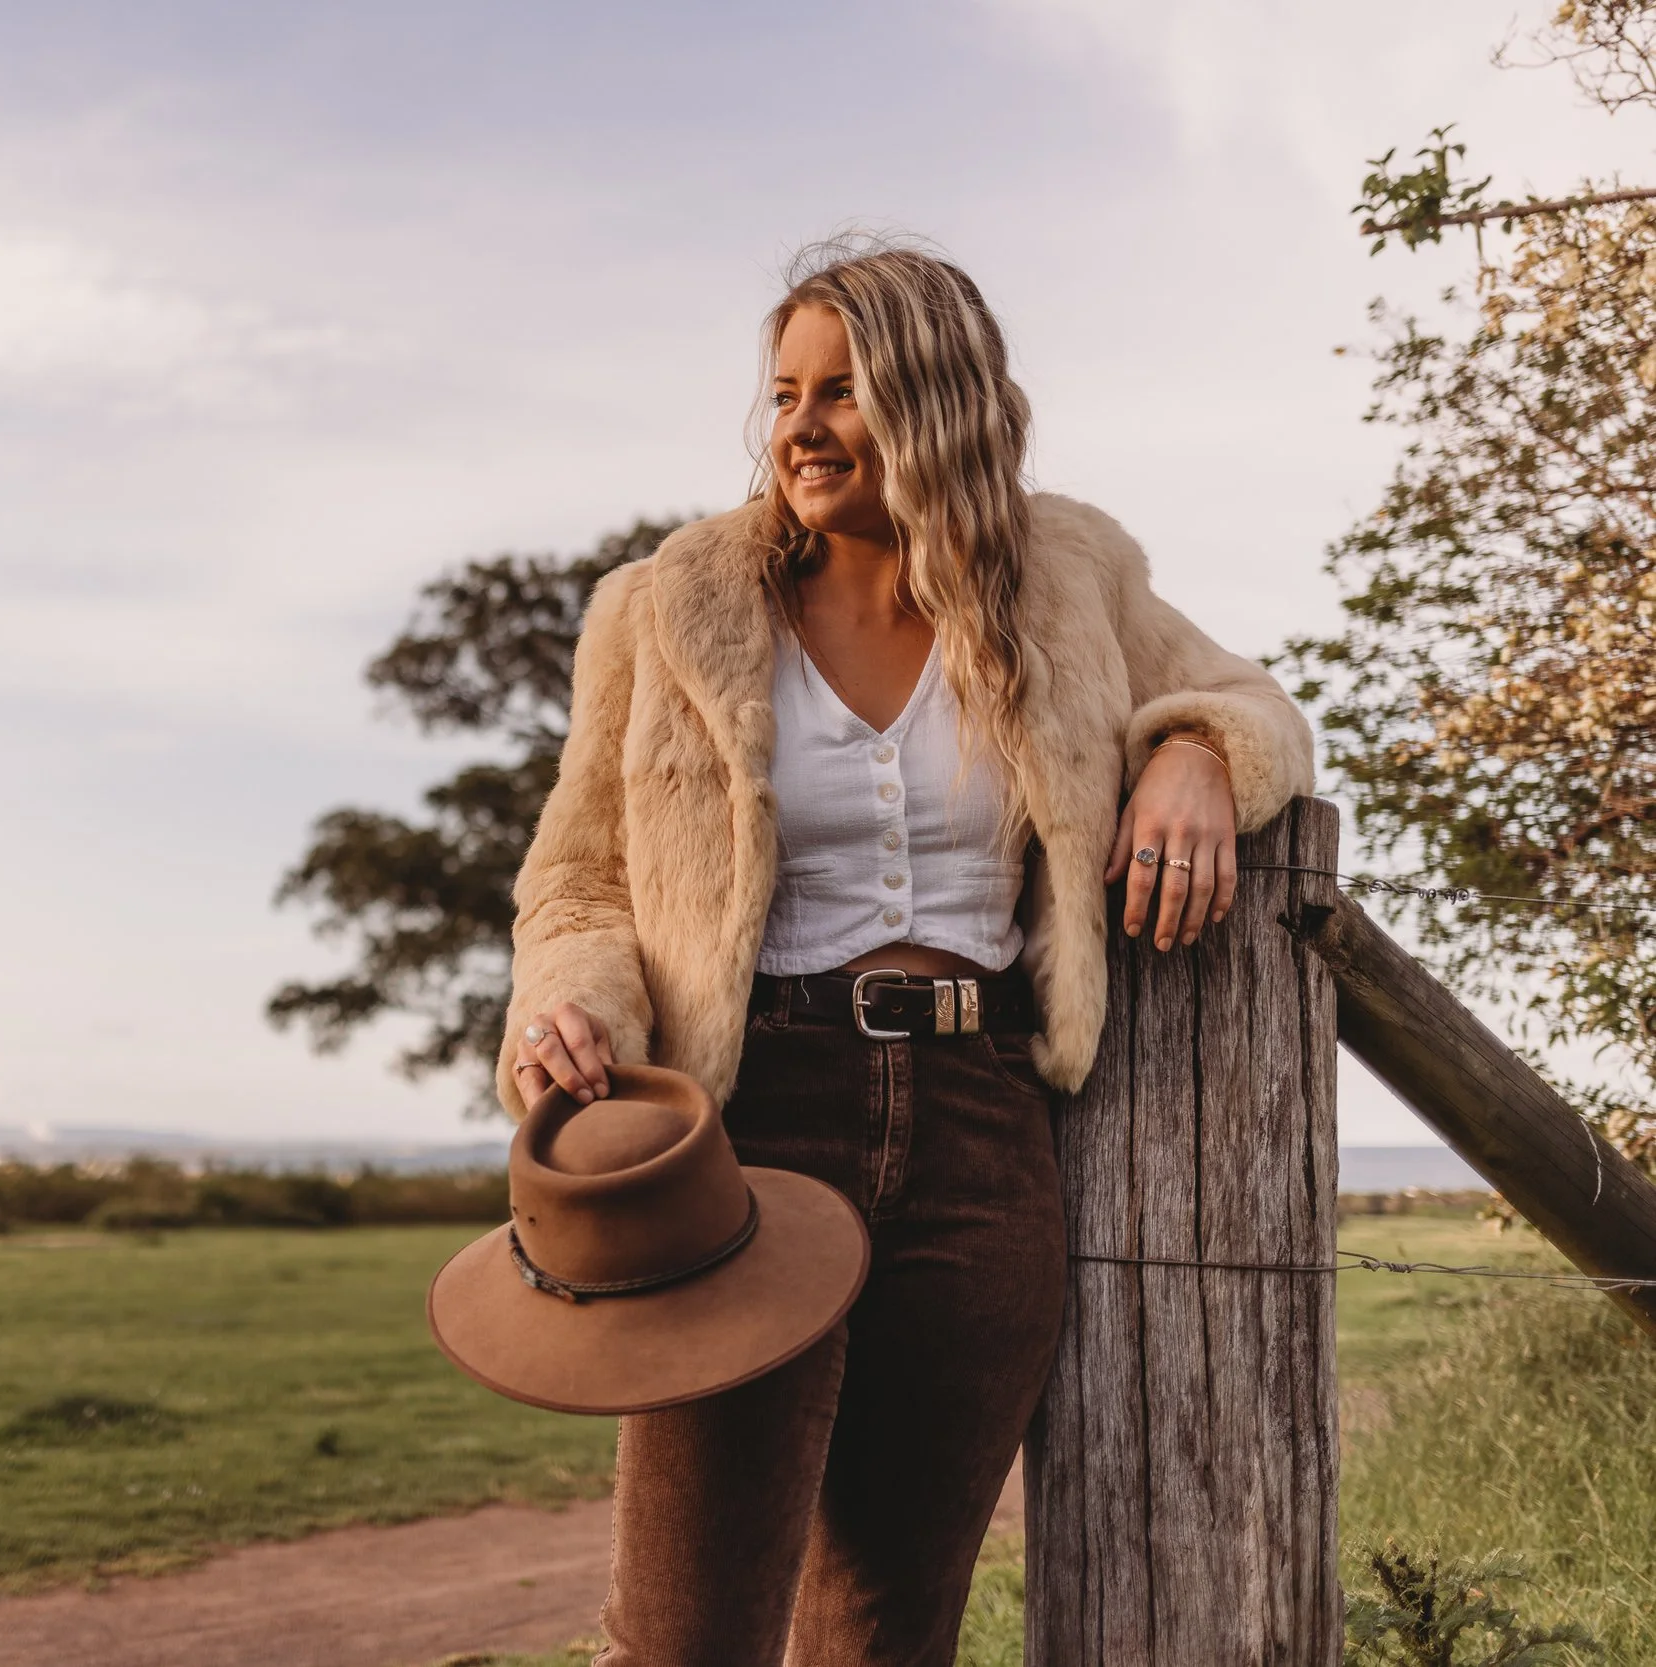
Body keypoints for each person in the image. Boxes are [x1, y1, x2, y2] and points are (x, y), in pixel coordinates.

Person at [497, 239, 1316, 1667]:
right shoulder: (666, 604)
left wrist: (1192, 749)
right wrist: (568, 1006)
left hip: (985, 1137)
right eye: (784, 394)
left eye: (842, 392)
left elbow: (1258, 705)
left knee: (887, 1633)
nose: (798, 428)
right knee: (684, 1635)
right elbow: (578, 882)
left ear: (937, 397)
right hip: (753, 1132)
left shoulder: (1070, 573)